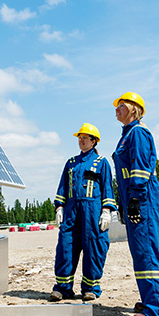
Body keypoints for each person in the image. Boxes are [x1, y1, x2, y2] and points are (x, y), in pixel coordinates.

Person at [112, 92, 159, 316]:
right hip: (134, 196)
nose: (116, 109)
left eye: (121, 105)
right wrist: (123, 201)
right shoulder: (127, 134)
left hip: (144, 196)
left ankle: (157, 309)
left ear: (134, 109)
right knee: (140, 252)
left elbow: (141, 168)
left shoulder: (138, 132)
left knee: (146, 251)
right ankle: (151, 299)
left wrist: (136, 197)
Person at [50, 123, 117, 302]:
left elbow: (107, 188)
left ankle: (90, 288)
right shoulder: (71, 163)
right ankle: (62, 288)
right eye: (79, 138)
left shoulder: (101, 162)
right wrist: (60, 207)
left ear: (94, 141)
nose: (81, 140)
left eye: (85, 138)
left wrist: (106, 210)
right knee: (65, 246)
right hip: (72, 211)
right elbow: (63, 186)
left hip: (92, 212)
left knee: (93, 247)